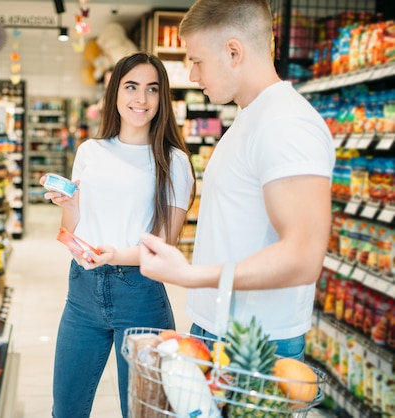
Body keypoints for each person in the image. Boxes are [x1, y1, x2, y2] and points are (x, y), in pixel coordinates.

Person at [139, 0, 335, 361]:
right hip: (221, 329)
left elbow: (303, 256)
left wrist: (191, 275)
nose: (194, 76)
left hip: (256, 343)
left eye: (197, 61)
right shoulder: (251, 118)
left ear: (233, 52)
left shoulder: (285, 125)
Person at [42, 52, 195, 418]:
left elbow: (165, 246)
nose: (140, 100)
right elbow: (72, 227)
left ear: (162, 98)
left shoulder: (173, 161)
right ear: (115, 93)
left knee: (144, 413)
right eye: (131, 87)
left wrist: (115, 255)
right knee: (66, 409)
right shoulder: (90, 151)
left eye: (151, 89)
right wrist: (70, 205)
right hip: (82, 290)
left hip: (139, 294)